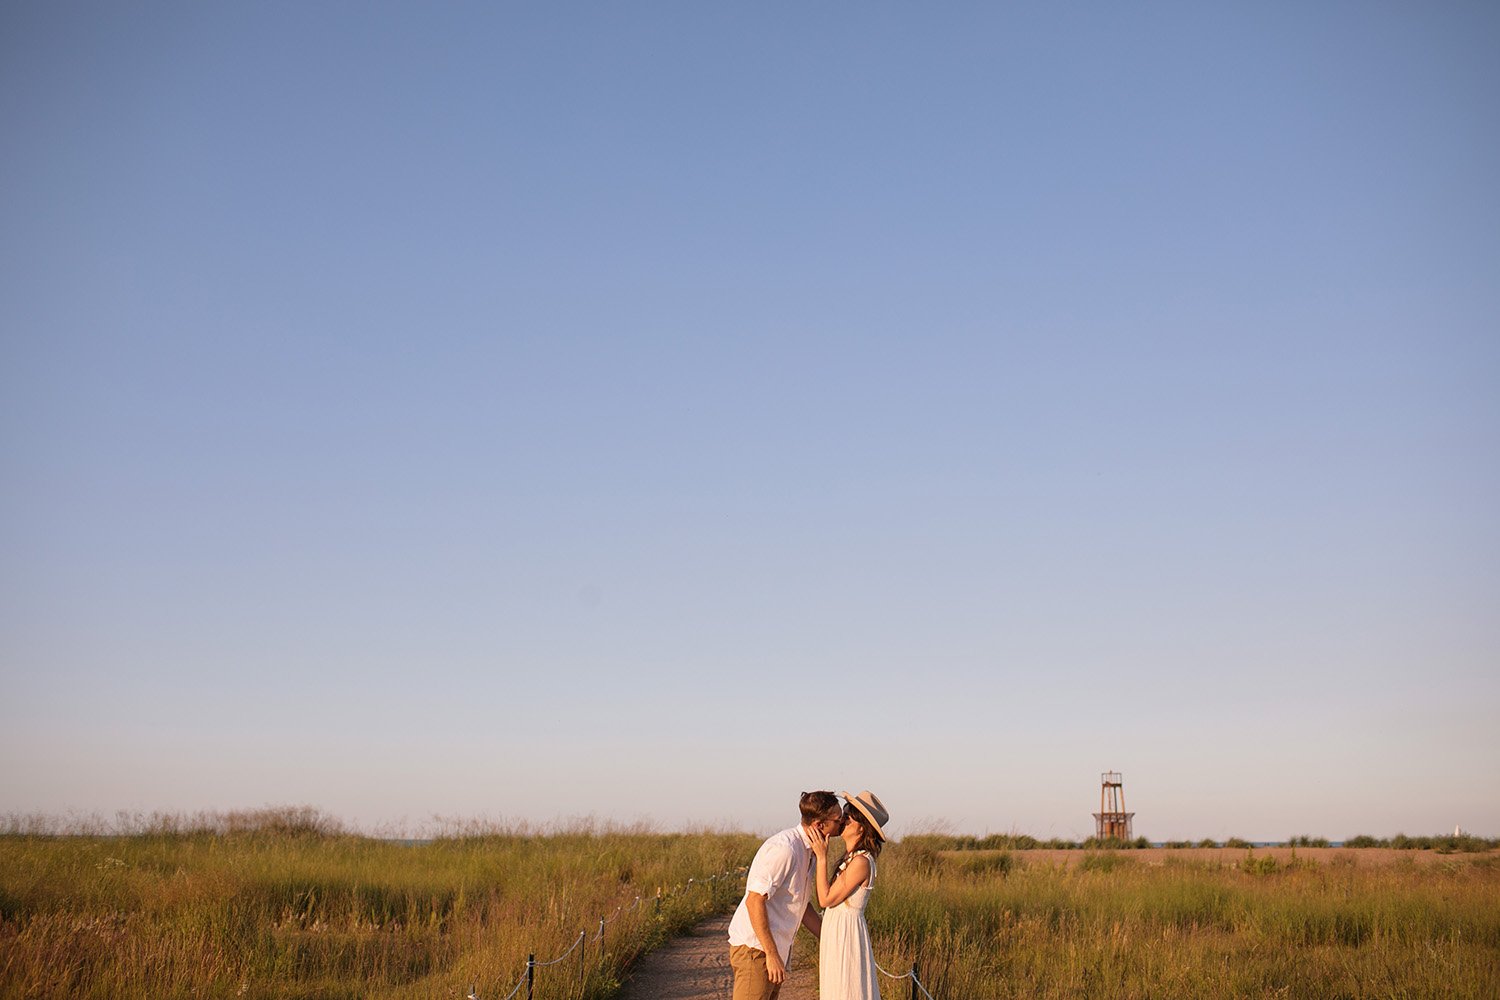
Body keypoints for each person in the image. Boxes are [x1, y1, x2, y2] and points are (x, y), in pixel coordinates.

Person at [727, 790, 846, 1000]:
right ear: (820, 825)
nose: (843, 822)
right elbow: (754, 900)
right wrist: (771, 955)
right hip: (755, 950)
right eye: (838, 819)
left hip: (772, 950)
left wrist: (829, 938)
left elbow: (800, 904)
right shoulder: (786, 849)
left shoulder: (810, 852)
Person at [808, 790, 890, 1000]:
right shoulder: (851, 857)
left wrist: (822, 857)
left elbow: (825, 899)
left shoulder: (861, 862)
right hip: (838, 932)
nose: (842, 820)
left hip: (847, 935)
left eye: (848, 817)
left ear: (861, 827)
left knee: (848, 989)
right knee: (837, 989)